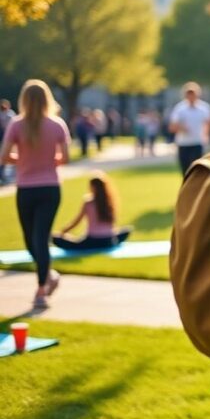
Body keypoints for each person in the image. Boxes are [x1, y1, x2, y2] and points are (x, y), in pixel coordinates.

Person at [0, 80, 71, 309]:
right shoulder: (52, 125)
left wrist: (23, 160)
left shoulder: (19, 125)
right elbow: (65, 158)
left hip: (31, 189)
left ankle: (41, 290)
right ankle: (49, 276)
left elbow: (4, 156)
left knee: (38, 239)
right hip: (46, 188)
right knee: (32, 240)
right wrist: (48, 161)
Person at [52, 171, 132, 250]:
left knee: (56, 238)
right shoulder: (109, 201)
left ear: (92, 187)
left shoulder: (88, 202)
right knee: (126, 230)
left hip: (92, 241)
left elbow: (77, 222)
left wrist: (63, 231)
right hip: (109, 240)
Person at [169, 82, 210, 175]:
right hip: (183, 143)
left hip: (197, 142)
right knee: (185, 170)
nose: (191, 96)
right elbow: (172, 126)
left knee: (197, 171)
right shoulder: (180, 109)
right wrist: (181, 127)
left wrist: (206, 136)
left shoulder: (204, 108)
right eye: (189, 94)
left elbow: (208, 123)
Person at [0, 98, 15, 185]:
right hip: (3, 136)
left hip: (8, 137)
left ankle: (4, 176)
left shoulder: (10, 114)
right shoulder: (9, 115)